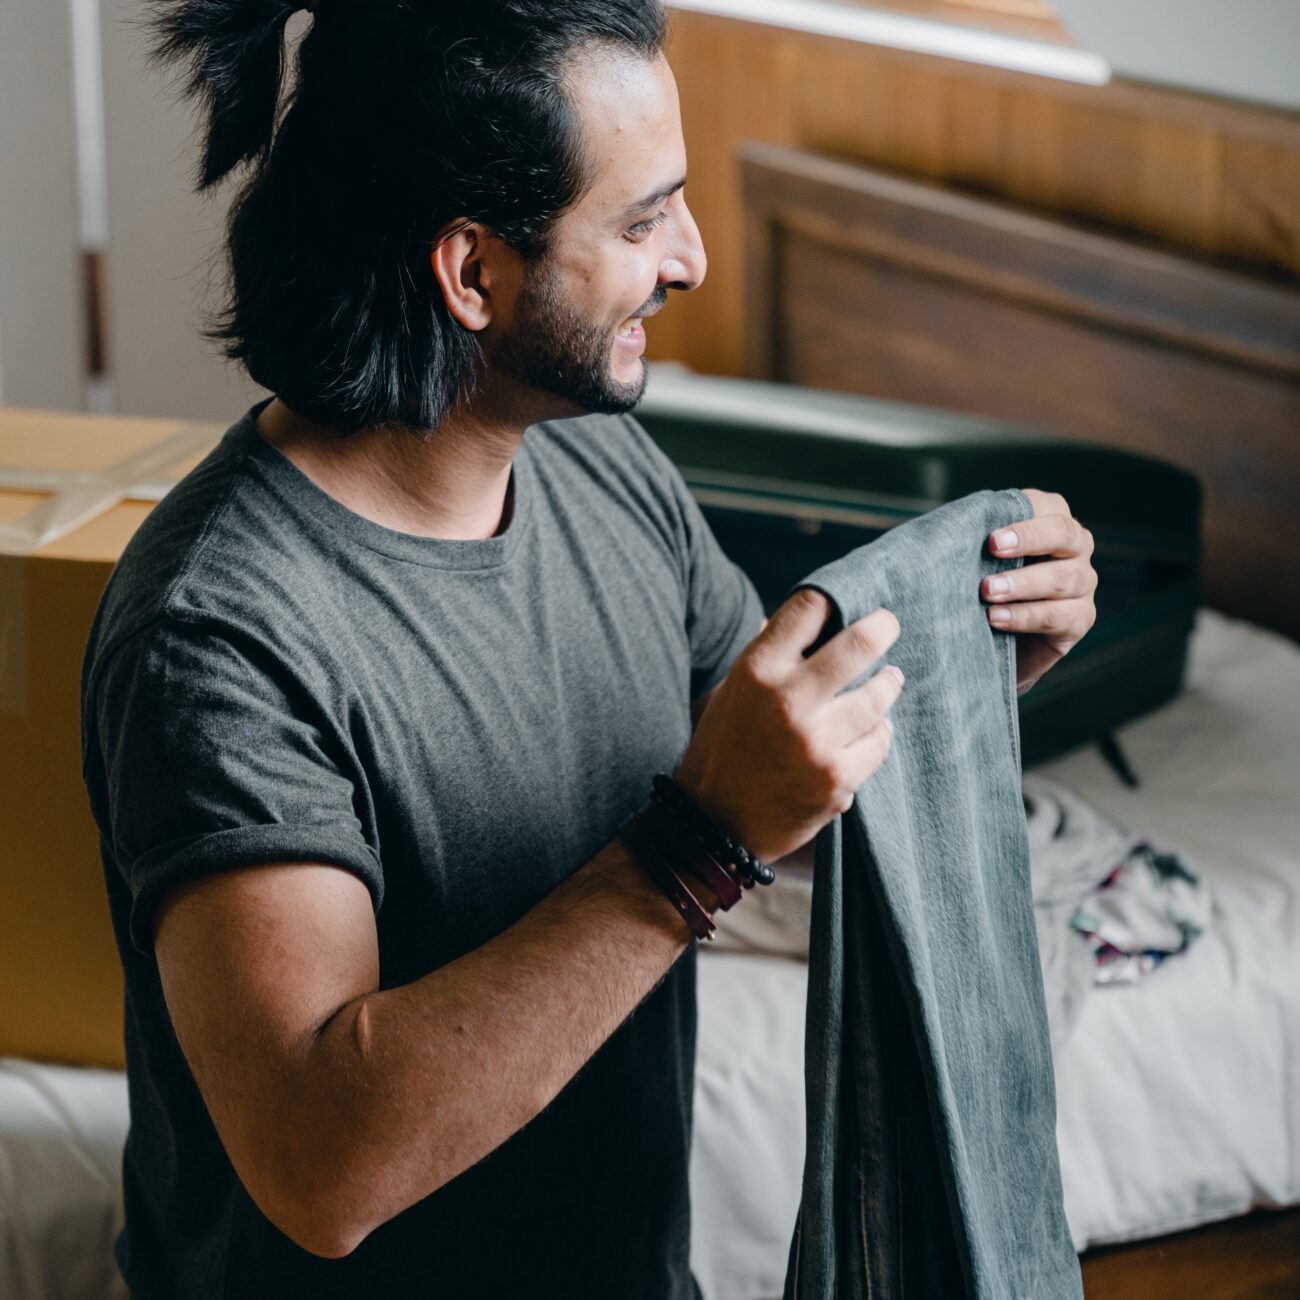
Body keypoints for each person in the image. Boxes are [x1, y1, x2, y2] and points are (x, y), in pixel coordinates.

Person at [80, 2, 1099, 1296]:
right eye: (640, 220)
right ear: (471, 273)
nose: (694, 260)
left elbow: (774, 771)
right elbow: (317, 1165)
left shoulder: (598, 464)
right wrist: (692, 852)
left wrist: (964, 664)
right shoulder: (222, 633)